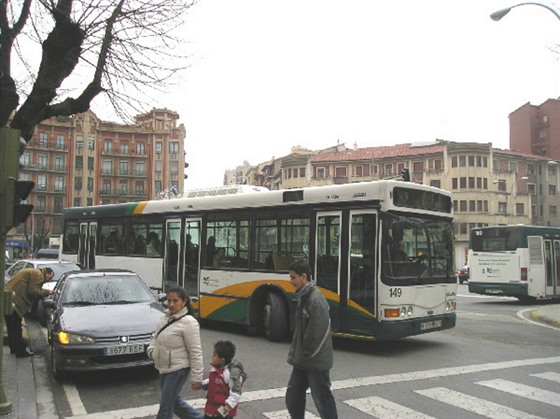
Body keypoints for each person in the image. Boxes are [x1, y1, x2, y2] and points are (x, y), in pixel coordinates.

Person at [285, 261, 338, 419]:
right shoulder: (304, 297)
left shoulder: (315, 300)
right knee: (293, 397)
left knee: (323, 401)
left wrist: (306, 353)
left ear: (304, 277)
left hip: (315, 362)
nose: (290, 281)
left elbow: (318, 334)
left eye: (293, 277)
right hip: (303, 360)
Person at [147, 286, 204, 419]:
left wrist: (197, 378)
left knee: (166, 407)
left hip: (178, 369)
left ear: (184, 302)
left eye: (175, 301)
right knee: (174, 403)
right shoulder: (164, 318)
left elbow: (195, 351)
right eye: (169, 300)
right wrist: (152, 351)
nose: (171, 304)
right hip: (164, 367)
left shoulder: (189, 322)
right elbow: (155, 338)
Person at [5, 267, 55, 357]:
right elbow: (33, 291)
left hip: (9, 298)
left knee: (11, 327)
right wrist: (48, 292)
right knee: (16, 327)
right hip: (16, 301)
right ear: (46, 273)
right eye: (49, 278)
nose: (48, 280)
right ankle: (20, 351)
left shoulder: (33, 272)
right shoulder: (38, 274)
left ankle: (14, 349)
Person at [202, 340, 246, 418]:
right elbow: (213, 381)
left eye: (214, 355)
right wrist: (202, 385)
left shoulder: (230, 374)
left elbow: (236, 391)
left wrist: (229, 405)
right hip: (211, 407)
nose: (212, 357)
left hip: (223, 412)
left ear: (222, 360)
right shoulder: (216, 368)